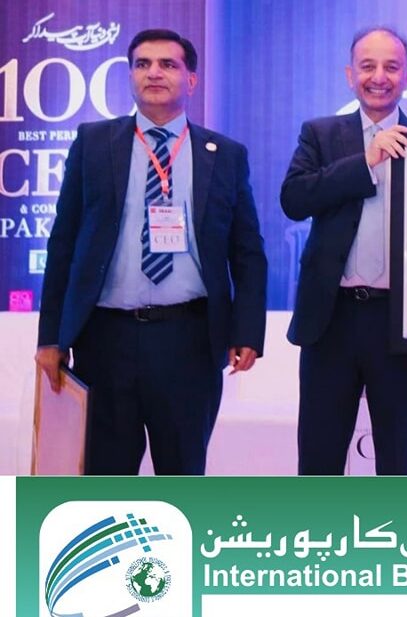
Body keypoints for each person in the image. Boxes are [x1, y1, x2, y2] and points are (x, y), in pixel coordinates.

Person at [35, 28, 267, 475]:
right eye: (142, 64)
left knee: (182, 476)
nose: (154, 73)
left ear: (191, 80)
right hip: (105, 340)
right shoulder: (93, 143)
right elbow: (63, 243)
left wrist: (247, 331)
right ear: (130, 76)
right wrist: (51, 337)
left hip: (189, 341)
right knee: (106, 478)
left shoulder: (225, 154)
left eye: (167, 64)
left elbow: (247, 252)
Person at [280, 27, 407, 475]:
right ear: (350, 75)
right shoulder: (321, 134)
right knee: (319, 461)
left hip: (400, 324)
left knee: (399, 464)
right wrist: (366, 159)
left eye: (391, 67)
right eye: (368, 66)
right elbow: (294, 199)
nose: (378, 77)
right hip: (332, 320)